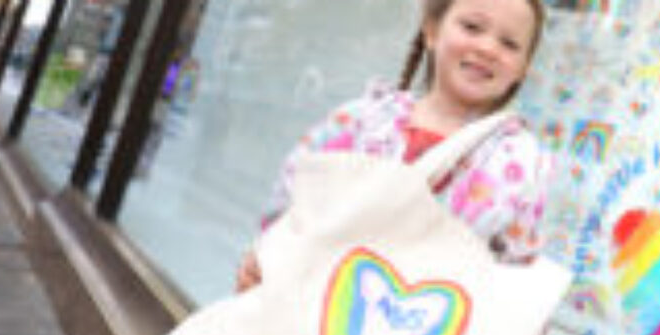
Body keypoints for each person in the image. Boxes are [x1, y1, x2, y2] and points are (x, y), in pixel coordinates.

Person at [236, 0, 550, 292]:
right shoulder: (360, 121)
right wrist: (265, 257)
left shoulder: (522, 165)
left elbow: (517, 271)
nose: (487, 47)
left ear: (522, 68)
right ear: (431, 30)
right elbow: (293, 194)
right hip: (314, 312)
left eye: (509, 44)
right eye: (472, 28)